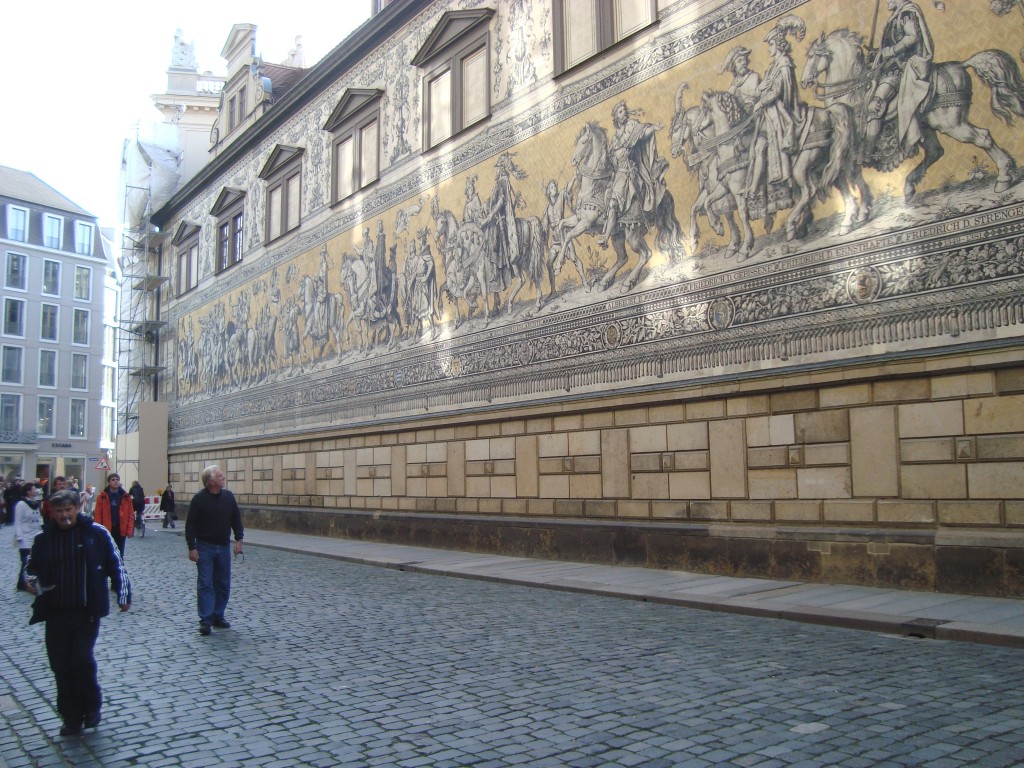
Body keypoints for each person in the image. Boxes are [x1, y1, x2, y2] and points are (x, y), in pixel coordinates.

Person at [23, 488, 130, 736]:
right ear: (52, 512)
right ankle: (70, 717)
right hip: (56, 612)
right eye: (59, 511)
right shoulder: (44, 538)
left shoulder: (95, 533)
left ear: (77, 509)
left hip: (85, 611)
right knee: (60, 665)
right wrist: (31, 580)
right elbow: (30, 568)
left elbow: (116, 563)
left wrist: (124, 594)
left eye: (68, 510)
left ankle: (91, 706)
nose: (64, 515)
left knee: (81, 660)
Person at [864, 0, 934, 162]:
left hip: (899, 69)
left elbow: (912, 36)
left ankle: (867, 153)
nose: (887, 2)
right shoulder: (896, 17)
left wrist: (890, 51)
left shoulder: (905, 13)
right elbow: (891, 45)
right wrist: (876, 54)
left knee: (875, 105)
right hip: (889, 68)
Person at [598, 101, 668, 247]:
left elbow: (642, 133)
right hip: (617, 174)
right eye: (620, 112)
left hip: (628, 173)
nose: (624, 113)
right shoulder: (615, 139)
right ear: (616, 117)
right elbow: (612, 160)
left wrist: (653, 128)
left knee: (613, 203)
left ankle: (605, 237)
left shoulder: (631, 126)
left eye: (624, 111)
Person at [185, 466, 243, 636]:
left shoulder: (228, 497)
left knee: (223, 583)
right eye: (219, 476)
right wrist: (192, 547)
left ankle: (218, 615)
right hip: (204, 547)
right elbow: (190, 525)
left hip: (224, 546)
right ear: (211, 482)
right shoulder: (199, 499)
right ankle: (205, 619)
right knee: (205, 584)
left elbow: (236, 519)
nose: (223, 478)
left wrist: (239, 539)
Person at [92, 474, 134, 559]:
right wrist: (98, 530)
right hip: (106, 529)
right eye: (113, 480)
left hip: (120, 529)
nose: (115, 481)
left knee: (120, 553)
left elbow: (130, 514)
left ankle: (119, 567)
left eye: (117, 479)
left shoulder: (126, 497)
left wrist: (130, 530)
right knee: (107, 553)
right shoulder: (102, 497)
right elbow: (98, 515)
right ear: (109, 482)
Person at [14, 483, 43, 591]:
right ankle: (22, 583)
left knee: (33, 560)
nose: (36, 491)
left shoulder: (35, 503)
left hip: (35, 535)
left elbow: (38, 519)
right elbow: (18, 521)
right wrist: (19, 537)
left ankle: (27, 582)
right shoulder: (21, 504)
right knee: (25, 561)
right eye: (34, 489)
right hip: (25, 537)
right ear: (28, 492)